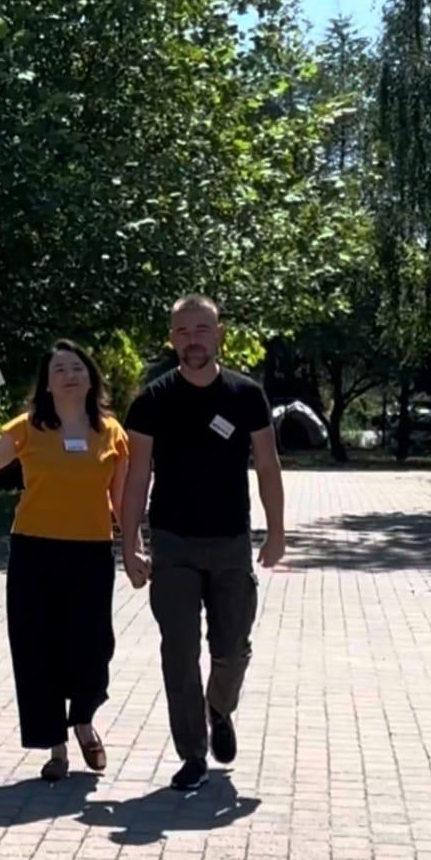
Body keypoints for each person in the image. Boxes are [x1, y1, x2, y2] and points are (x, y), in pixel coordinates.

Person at [120, 295, 285, 792]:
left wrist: (276, 531)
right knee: (179, 651)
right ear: (172, 339)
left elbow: (268, 465)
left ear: (219, 335)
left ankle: (220, 708)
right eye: (183, 331)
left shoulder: (246, 394)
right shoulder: (152, 402)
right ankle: (192, 753)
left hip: (231, 540)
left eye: (202, 329)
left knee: (232, 646)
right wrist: (129, 542)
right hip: (173, 543)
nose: (193, 339)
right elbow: (137, 475)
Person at [0, 340, 129, 781]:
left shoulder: (112, 433)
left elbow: (122, 502)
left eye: (77, 368)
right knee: (38, 648)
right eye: (59, 370)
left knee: (94, 647)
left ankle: (84, 720)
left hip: (91, 552)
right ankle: (56, 747)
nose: (69, 375)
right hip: (34, 551)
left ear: (91, 378)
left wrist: (134, 548)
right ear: (47, 385)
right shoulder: (27, 428)